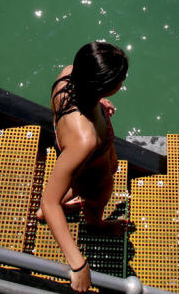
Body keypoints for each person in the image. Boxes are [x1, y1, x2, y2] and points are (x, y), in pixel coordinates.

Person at [39, 42, 129, 292]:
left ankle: (61, 208)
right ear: (104, 86)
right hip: (93, 180)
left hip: (81, 167)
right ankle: (95, 224)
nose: (122, 82)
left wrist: (99, 104)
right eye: (120, 79)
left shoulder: (67, 76)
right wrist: (78, 265)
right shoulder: (84, 140)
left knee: (69, 189)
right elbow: (49, 201)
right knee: (92, 205)